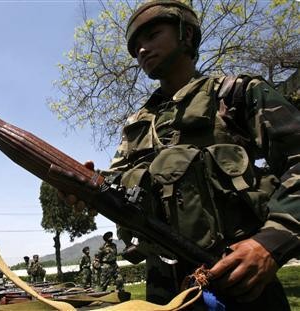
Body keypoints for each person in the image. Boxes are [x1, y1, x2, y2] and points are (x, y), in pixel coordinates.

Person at [60, 0, 300, 309]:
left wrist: (270, 243)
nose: (142, 50)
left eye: (153, 35)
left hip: (240, 278)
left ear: (186, 36)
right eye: (135, 48)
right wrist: (87, 185)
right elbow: (119, 190)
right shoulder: (137, 124)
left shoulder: (233, 94)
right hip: (164, 289)